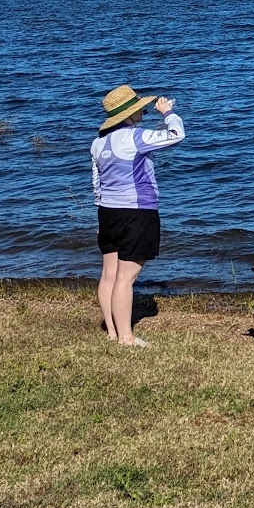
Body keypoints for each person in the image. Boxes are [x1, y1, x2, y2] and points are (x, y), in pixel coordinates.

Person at [91, 85, 185, 348]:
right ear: (128, 115)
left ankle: (111, 332)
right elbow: (177, 134)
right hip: (137, 212)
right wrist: (168, 112)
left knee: (109, 274)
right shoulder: (135, 137)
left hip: (107, 213)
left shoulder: (97, 144)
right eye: (139, 109)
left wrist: (100, 221)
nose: (143, 112)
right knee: (126, 278)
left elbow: (97, 185)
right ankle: (126, 338)